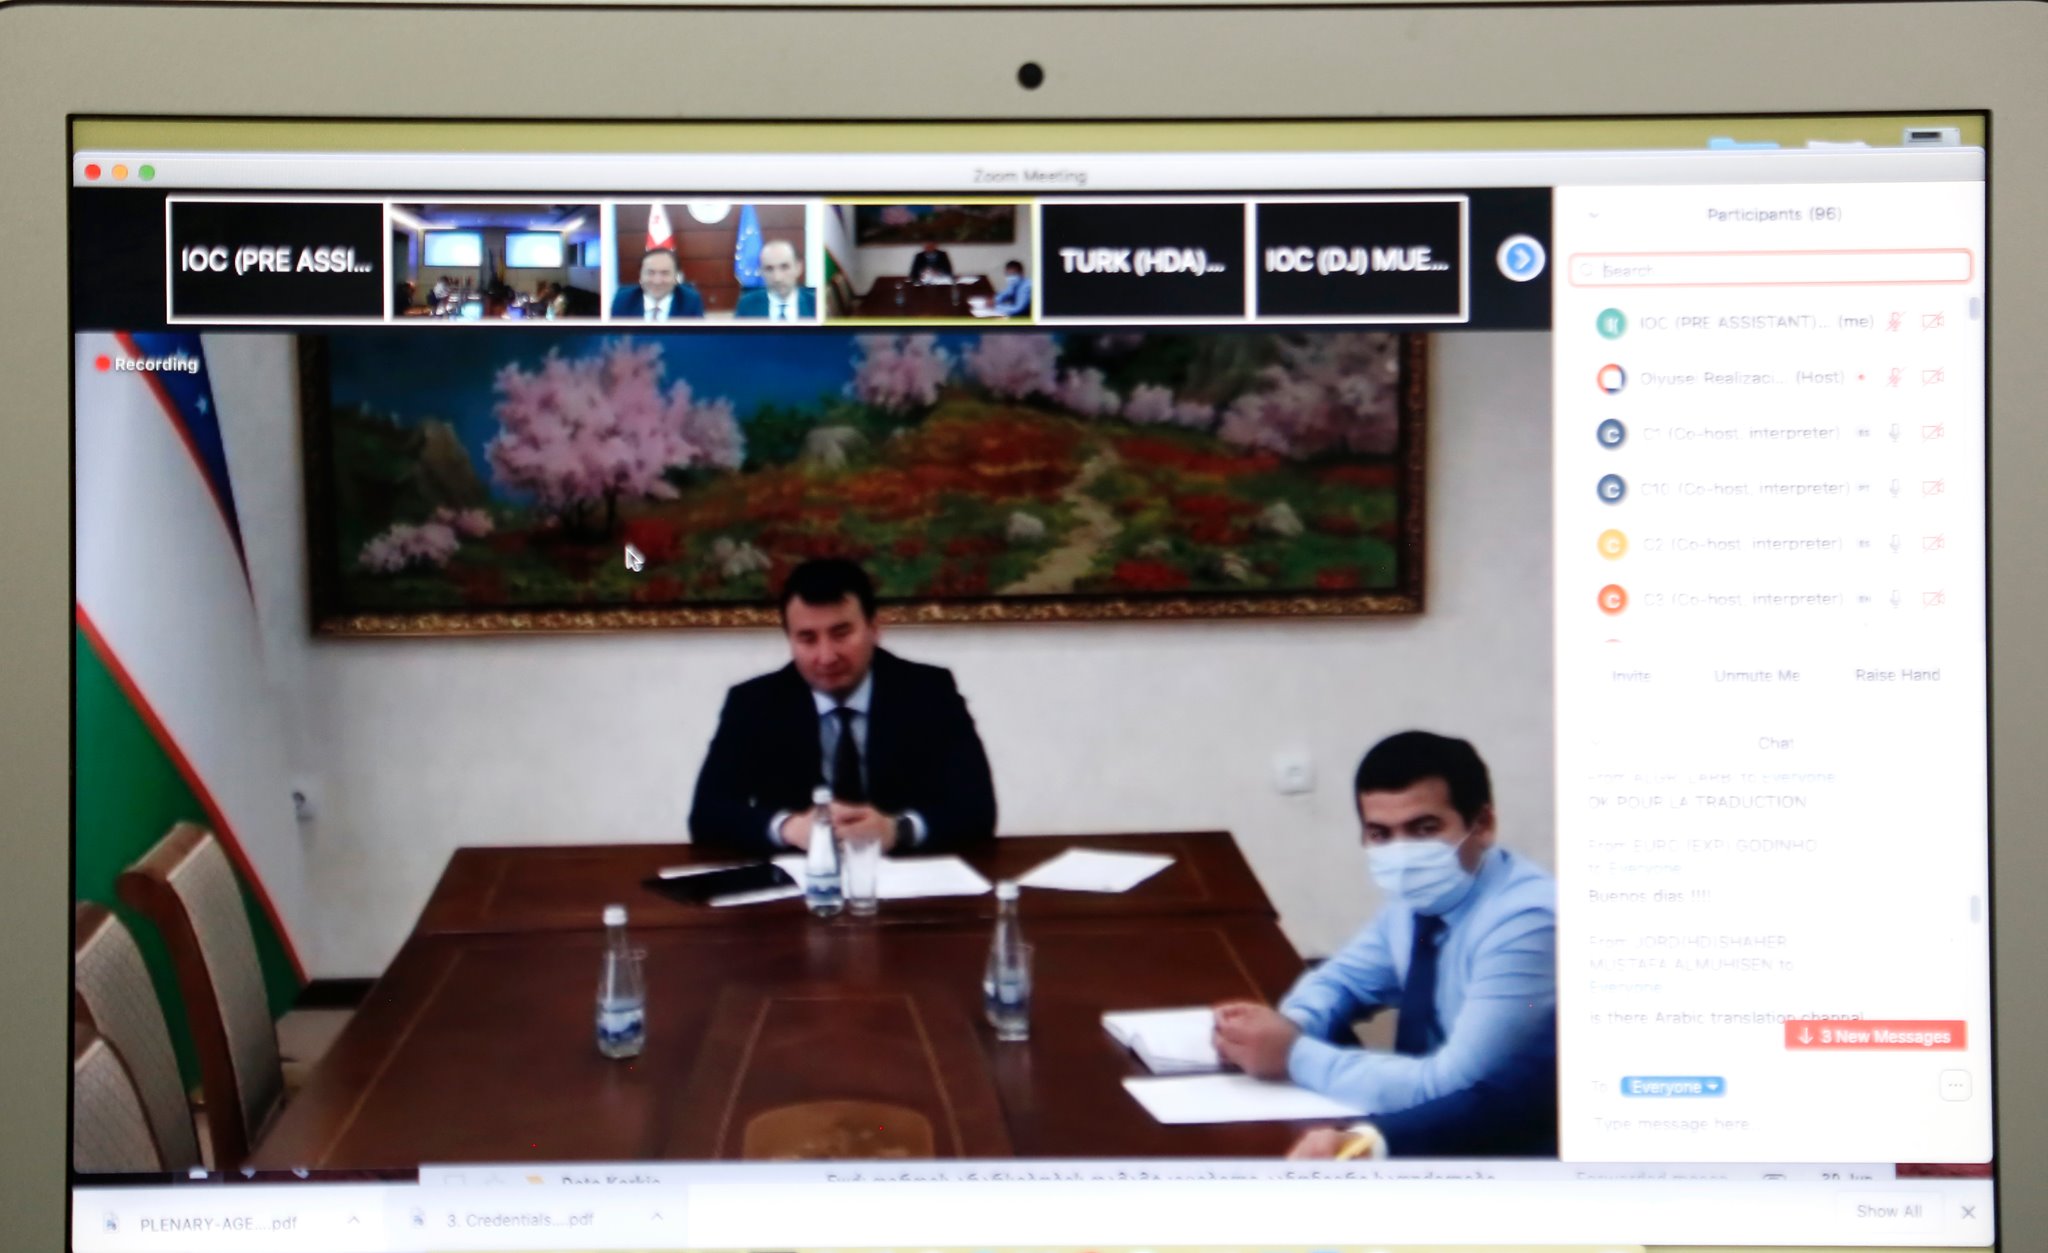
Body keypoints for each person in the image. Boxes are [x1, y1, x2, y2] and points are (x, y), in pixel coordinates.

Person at [1212, 731, 1557, 1157]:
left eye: (1424, 829)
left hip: (1507, 1150)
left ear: (1483, 825)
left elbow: (1453, 1088)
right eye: (1380, 834)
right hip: (1425, 1132)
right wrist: (1290, 1025)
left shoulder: (1529, 921)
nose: (1403, 853)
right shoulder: (1418, 900)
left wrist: (1293, 1055)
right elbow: (1341, 981)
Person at [689, 558, 998, 857]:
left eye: (841, 634)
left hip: (904, 874)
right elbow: (707, 813)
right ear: (789, 640)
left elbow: (977, 808)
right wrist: (789, 828)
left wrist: (898, 829)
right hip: (797, 878)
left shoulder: (929, 692)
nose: (826, 657)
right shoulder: (754, 703)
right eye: (807, 639)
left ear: (874, 628)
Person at [610, 247, 705, 320]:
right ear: (640, 275)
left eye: (665, 273)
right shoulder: (623, 299)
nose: (657, 281)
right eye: (650, 273)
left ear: (676, 277)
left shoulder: (690, 301)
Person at [734, 239, 818, 320]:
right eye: (769, 269)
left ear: (798, 268)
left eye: (784, 267)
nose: (777, 278)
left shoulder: (816, 304)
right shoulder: (747, 305)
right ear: (761, 271)